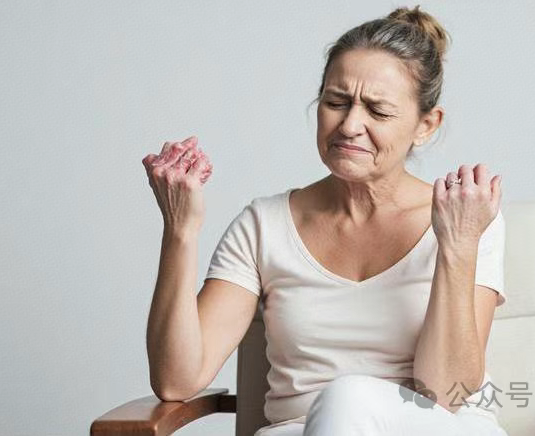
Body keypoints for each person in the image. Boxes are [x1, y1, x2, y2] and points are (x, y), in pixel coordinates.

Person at [141, 5, 508, 436]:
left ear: (426, 125)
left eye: (378, 111)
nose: (350, 125)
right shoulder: (264, 226)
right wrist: (180, 231)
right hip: (301, 430)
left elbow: (445, 392)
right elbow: (177, 379)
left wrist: (457, 247)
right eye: (336, 102)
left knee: (348, 397)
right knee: (343, 401)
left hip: (435, 426)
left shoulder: (464, 219)